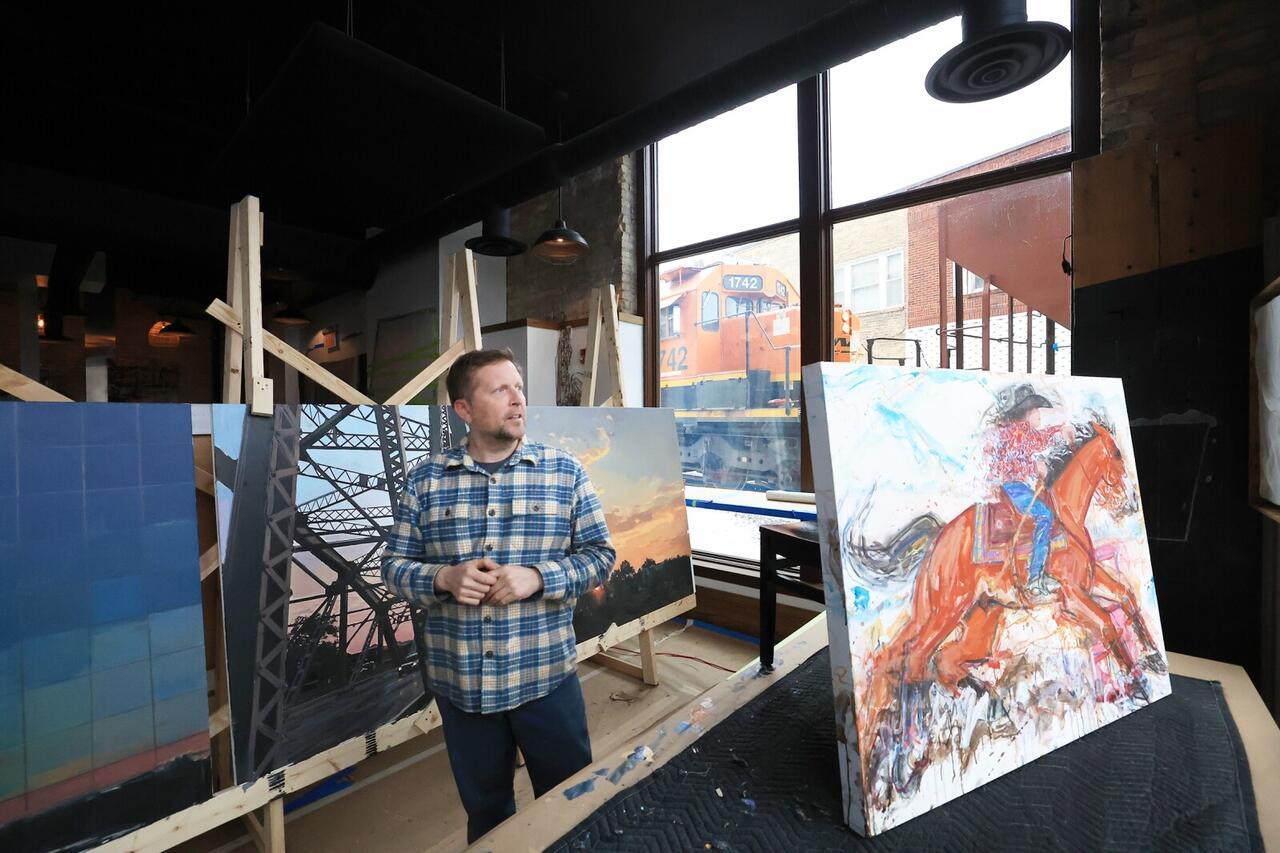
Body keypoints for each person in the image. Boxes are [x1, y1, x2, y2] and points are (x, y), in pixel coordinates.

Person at [381, 348, 615, 843]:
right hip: (462, 686)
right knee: (488, 817)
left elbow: (601, 556)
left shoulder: (565, 472)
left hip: (545, 678)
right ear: (463, 409)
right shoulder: (425, 483)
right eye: (500, 389)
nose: (518, 401)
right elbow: (393, 567)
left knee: (571, 804)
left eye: (519, 388)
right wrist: (443, 579)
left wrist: (538, 576)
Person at [985, 384, 1075, 596]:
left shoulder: (1021, 431)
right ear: (1024, 412)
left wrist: (1060, 432)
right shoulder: (1014, 432)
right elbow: (1006, 465)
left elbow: (1040, 439)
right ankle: (1035, 578)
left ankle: (1041, 572)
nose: (1038, 415)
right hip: (1014, 487)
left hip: (1020, 485)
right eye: (1035, 410)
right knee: (1044, 516)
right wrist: (1034, 467)